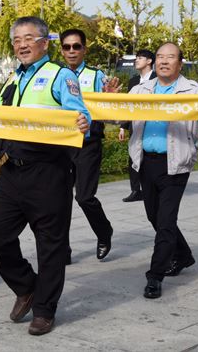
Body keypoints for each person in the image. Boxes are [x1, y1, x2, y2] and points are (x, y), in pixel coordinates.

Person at [0, 17, 91, 335]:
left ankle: (44, 310)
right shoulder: (12, 79)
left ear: (45, 42)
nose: (22, 44)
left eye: (28, 38)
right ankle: (27, 285)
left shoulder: (60, 75)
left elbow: (79, 111)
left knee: (50, 244)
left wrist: (81, 122)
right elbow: (0, 115)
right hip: (13, 170)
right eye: (16, 39)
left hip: (49, 170)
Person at [128, 42, 198, 299]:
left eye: (170, 57)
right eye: (160, 57)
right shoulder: (141, 89)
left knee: (166, 221)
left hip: (176, 164)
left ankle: (155, 276)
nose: (164, 61)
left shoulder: (194, 91)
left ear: (180, 63)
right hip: (145, 162)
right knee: (155, 217)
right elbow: (118, 116)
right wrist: (108, 98)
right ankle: (184, 255)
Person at [59, 28, 115, 262]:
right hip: (61, 144)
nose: (72, 51)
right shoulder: (56, 75)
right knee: (59, 199)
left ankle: (104, 232)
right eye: (67, 47)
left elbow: (110, 109)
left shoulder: (96, 76)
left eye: (76, 46)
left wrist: (110, 97)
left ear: (84, 49)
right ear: (61, 50)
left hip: (88, 143)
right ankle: (63, 249)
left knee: (84, 197)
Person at [119, 49, 156, 202]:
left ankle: (151, 187)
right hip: (135, 123)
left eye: (140, 58)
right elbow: (129, 106)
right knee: (132, 154)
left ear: (149, 61)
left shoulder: (158, 79)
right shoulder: (133, 81)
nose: (137, 60)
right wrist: (123, 126)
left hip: (153, 124)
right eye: (136, 58)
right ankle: (135, 190)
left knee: (149, 156)